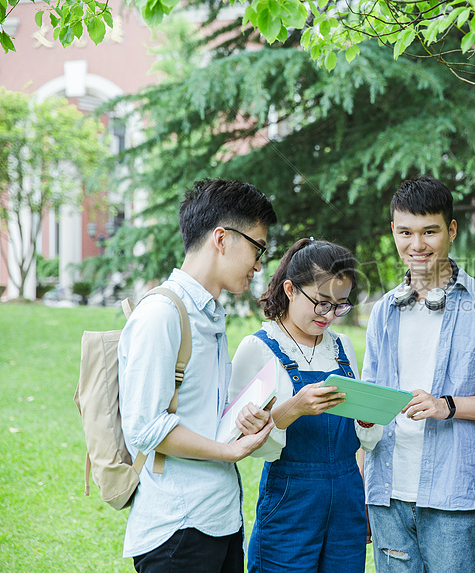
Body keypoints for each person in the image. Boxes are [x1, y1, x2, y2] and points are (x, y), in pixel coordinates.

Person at [118, 178, 279, 572]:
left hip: (220, 519)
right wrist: (228, 451)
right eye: (257, 247)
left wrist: (242, 419)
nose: (259, 264)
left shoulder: (209, 315)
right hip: (178, 530)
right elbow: (146, 427)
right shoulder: (162, 313)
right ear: (221, 239)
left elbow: (200, 413)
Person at [362, 175, 475, 573]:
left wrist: (446, 406)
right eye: (405, 232)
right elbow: (369, 399)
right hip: (387, 493)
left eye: (429, 232)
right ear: (393, 231)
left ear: (451, 230)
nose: (416, 245)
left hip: (455, 496)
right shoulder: (383, 310)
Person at [230, 238, 383, 573]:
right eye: (321, 303)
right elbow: (237, 441)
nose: (330, 315)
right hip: (292, 496)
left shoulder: (342, 346)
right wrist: (294, 408)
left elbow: (363, 439)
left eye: (340, 305)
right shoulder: (258, 348)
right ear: (290, 289)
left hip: (347, 495)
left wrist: (368, 421)